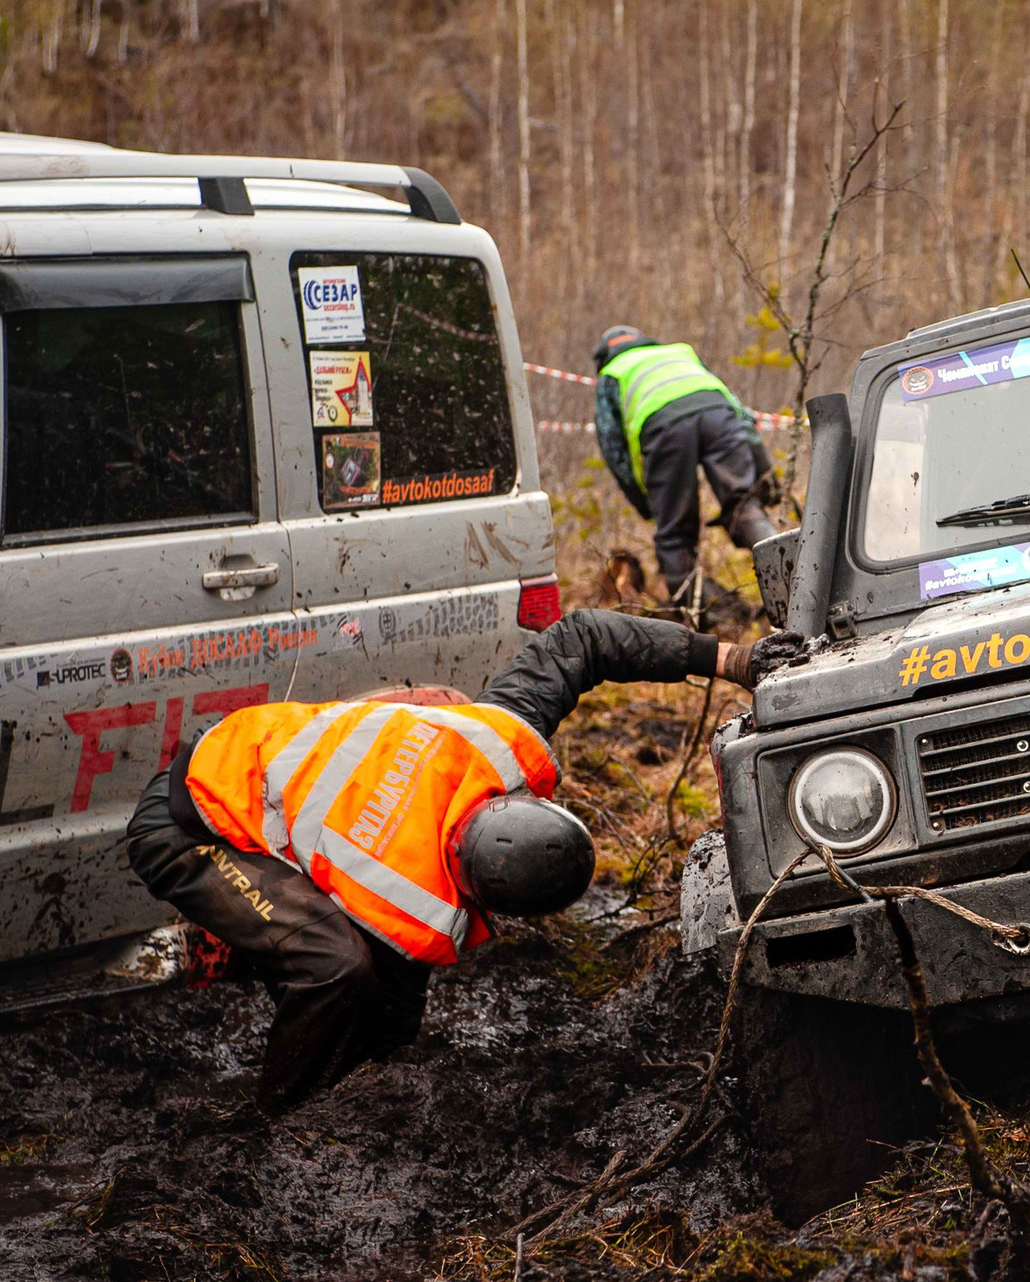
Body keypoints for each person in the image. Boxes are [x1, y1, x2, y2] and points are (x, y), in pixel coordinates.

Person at [123, 610, 810, 1114]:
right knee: (335, 967)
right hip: (192, 819)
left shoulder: (497, 736)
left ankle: (332, 1081)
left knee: (381, 1009)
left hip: (267, 782)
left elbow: (583, 640)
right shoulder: (396, 880)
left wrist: (731, 659)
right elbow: (383, 958)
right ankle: (272, 1123)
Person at [591, 326, 782, 606]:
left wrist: (645, 503)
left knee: (675, 534)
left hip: (664, 429)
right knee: (745, 505)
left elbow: (613, 447)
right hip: (719, 415)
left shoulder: (611, 374)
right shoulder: (680, 351)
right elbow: (740, 414)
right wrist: (766, 475)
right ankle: (792, 585)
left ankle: (707, 615)